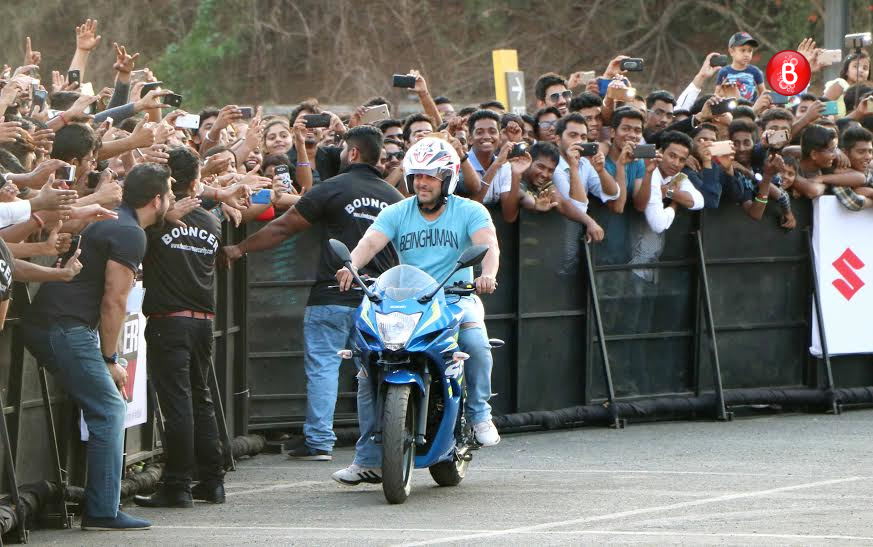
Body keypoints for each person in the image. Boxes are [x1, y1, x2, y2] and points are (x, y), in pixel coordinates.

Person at [221, 126, 404, 461]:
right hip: (379, 300)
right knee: (375, 371)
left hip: (331, 296)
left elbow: (283, 227)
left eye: (343, 149)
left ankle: (319, 441)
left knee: (324, 368)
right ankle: (380, 442)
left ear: (353, 153)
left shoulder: (332, 188)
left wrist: (239, 248)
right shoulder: (395, 198)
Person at [332, 136, 500, 486]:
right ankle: (368, 459)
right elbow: (370, 242)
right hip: (408, 302)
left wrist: (487, 275)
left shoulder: (470, 211)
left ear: (448, 178)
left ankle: (479, 413)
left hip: (455, 299)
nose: (422, 183)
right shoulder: (397, 211)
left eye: (430, 176)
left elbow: (488, 245)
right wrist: (351, 265)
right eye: (416, 176)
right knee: (368, 366)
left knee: (476, 343)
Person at [21, 163, 173, 531]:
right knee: (108, 409)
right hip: (64, 326)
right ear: (157, 200)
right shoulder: (129, 232)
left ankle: (99, 504)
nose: (171, 200)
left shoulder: (115, 221)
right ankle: (103, 510)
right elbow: (114, 300)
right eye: (169, 194)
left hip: (60, 323)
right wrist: (109, 359)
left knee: (103, 406)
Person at [133, 147, 227, 509]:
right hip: (202, 322)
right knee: (200, 398)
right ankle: (213, 482)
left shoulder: (160, 222)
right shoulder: (211, 222)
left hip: (169, 322)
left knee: (178, 403)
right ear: (196, 179)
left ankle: (177, 485)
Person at [716, 32, 765, 102]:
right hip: (730, 107)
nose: (747, 54)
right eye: (743, 50)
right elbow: (716, 95)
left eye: (750, 51)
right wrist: (721, 93)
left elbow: (763, 94)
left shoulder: (755, 72)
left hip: (751, 107)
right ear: (731, 51)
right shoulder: (724, 72)